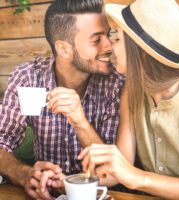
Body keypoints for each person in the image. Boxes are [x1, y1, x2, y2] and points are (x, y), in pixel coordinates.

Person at [0, 0, 124, 199]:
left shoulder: (116, 85)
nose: (110, 46)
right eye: (96, 40)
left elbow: (112, 171)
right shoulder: (28, 78)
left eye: (108, 35)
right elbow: (1, 140)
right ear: (64, 49)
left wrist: (80, 122)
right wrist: (23, 174)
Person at [78, 0, 179, 199]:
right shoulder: (131, 93)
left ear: (141, 54)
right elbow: (118, 171)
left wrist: (139, 178)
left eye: (117, 38)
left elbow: (132, 175)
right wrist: (65, 181)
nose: (109, 46)